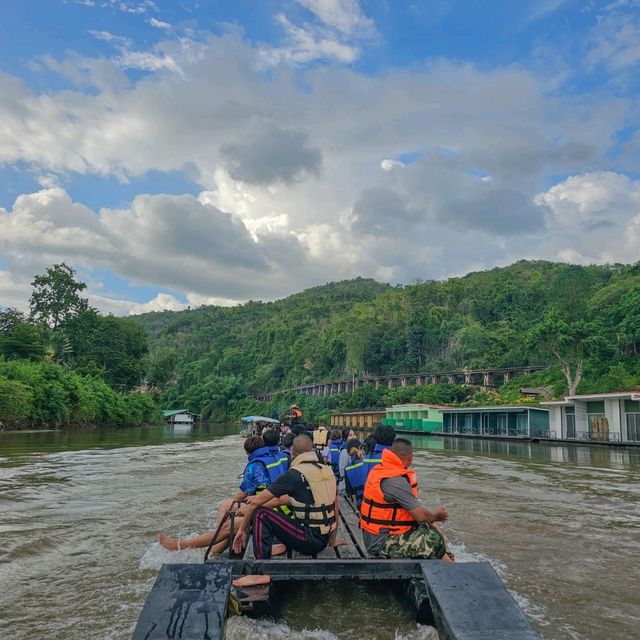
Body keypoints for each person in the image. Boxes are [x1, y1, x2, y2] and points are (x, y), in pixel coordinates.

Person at [158, 435, 286, 555]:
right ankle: (213, 550)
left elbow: (242, 494)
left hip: (272, 510)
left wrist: (241, 506)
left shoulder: (256, 465)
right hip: (274, 506)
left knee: (227, 519)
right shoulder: (281, 457)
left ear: (247, 452)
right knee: (229, 522)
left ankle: (182, 545)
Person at [232, 435, 346, 563]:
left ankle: (260, 569)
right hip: (324, 539)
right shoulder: (326, 471)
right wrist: (332, 540)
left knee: (260, 513)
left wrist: (241, 530)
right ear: (311, 450)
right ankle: (273, 550)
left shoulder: (293, 475)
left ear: (292, 453)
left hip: (309, 542)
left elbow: (254, 504)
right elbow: (336, 506)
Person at [360, 438, 452, 561]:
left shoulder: (380, 469)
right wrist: (438, 515)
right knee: (433, 539)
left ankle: (450, 561)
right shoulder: (396, 480)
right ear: (410, 458)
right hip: (380, 543)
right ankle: (451, 568)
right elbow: (421, 516)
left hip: (373, 536)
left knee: (431, 526)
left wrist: (432, 522)